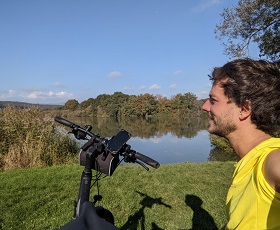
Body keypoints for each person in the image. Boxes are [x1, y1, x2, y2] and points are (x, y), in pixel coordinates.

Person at [202, 58, 280, 229]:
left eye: (213, 100)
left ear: (244, 109)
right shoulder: (249, 161)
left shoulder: (271, 160)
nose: (205, 106)